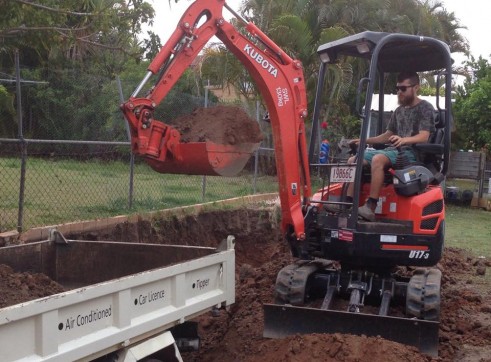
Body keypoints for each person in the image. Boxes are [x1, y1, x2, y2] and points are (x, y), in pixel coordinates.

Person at [331, 71, 436, 221]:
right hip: (394, 150)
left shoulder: (425, 107)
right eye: (398, 88)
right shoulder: (399, 111)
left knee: (378, 159)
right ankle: (347, 203)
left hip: (412, 153)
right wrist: (364, 140)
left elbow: (424, 136)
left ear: (416, 87)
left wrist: (404, 140)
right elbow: (386, 136)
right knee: (354, 160)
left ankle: (370, 207)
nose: (399, 92)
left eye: (403, 88)